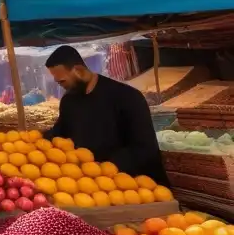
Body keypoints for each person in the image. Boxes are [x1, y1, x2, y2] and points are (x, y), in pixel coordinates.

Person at [43, 46, 168, 185]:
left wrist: (106, 168)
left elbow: (144, 148)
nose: (61, 86)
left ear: (78, 70)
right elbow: (60, 134)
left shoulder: (127, 97)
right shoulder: (69, 101)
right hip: (92, 185)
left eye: (62, 81)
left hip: (137, 186)